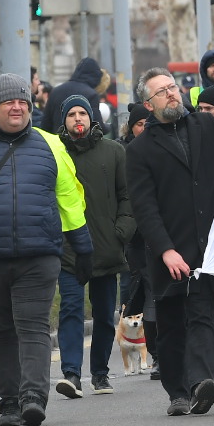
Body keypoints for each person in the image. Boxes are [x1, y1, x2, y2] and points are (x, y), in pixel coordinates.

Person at [0, 74, 93, 426]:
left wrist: (84, 249)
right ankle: (9, 400)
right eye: (9, 102)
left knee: (33, 327)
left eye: (23, 101)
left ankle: (32, 398)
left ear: (30, 106)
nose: (17, 106)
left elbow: (70, 200)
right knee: (0, 329)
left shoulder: (52, 146)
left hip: (38, 256)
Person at [128, 67, 214, 416]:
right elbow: (144, 208)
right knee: (172, 323)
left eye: (173, 87)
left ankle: (201, 383)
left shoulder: (205, 127)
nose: (171, 94)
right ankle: (177, 391)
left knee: (202, 314)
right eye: (161, 91)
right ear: (148, 104)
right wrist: (166, 251)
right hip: (168, 252)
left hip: (206, 247)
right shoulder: (140, 149)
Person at [55, 94, 134, 399]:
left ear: (91, 118)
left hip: (106, 247)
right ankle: (71, 374)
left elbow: (128, 195)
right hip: (68, 250)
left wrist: (122, 231)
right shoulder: (56, 152)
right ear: (64, 120)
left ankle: (100, 374)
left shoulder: (114, 152)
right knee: (72, 310)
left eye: (82, 114)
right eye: (72, 114)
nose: (78, 119)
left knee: (103, 315)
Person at [41, 56, 106, 134]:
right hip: (81, 143)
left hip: (56, 142)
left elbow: (45, 124)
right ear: (96, 76)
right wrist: (109, 127)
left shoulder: (56, 91)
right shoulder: (91, 94)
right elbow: (97, 126)